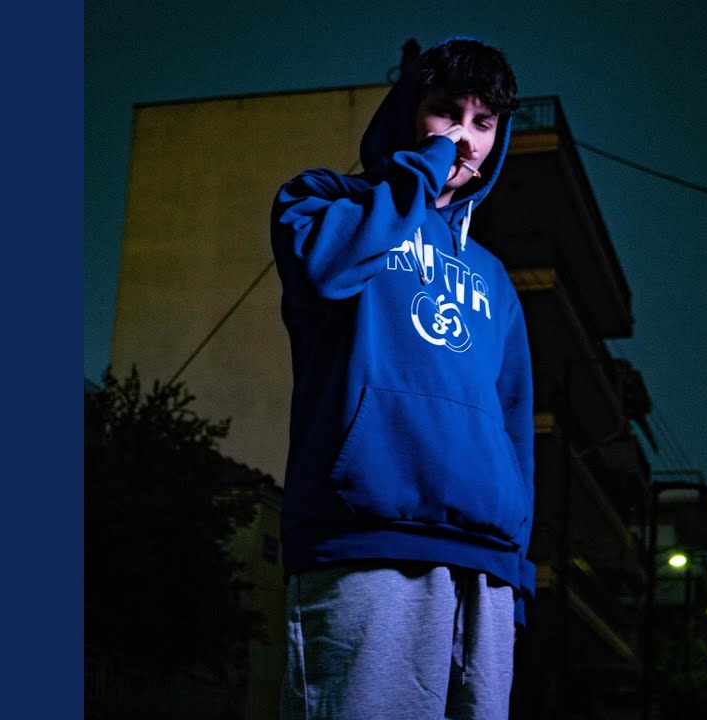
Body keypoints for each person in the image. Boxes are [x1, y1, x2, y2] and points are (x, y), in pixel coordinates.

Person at [270, 37, 534, 719]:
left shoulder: (493, 277)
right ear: (408, 112)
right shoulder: (323, 205)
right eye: (447, 112)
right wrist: (423, 168)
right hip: (368, 539)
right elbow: (326, 272)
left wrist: (517, 575)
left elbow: (514, 425)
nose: (465, 138)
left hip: (485, 563)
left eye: (483, 122)